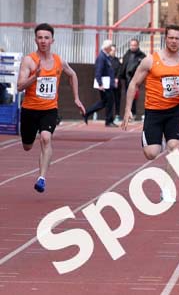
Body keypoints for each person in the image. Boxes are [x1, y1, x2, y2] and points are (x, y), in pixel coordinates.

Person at [122, 25, 179, 203]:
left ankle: (167, 189)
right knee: (151, 153)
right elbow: (134, 83)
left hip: (173, 113)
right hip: (153, 113)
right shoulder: (151, 60)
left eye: (177, 38)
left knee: (175, 148)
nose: (174, 41)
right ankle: (161, 141)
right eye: (171, 38)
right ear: (166, 39)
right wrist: (127, 110)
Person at [16, 23, 85, 193]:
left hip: (49, 109)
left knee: (46, 138)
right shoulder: (29, 60)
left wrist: (76, 98)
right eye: (40, 38)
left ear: (52, 40)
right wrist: (35, 77)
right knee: (27, 146)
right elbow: (19, 86)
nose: (43, 41)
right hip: (30, 110)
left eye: (46, 38)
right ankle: (29, 143)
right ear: (35, 40)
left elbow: (73, 74)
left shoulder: (58, 61)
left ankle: (41, 178)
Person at [85, 40, 117, 126]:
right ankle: (108, 121)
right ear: (107, 47)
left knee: (105, 102)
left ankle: (87, 113)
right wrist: (100, 83)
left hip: (108, 83)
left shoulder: (106, 57)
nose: (111, 49)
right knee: (108, 101)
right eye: (110, 47)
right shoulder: (101, 57)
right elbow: (98, 71)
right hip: (104, 84)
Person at [119, 38, 147, 117]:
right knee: (128, 96)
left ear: (137, 46)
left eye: (134, 45)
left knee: (134, 96)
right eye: (131, 45)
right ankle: (129, 112)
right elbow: (124, 65)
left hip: (137, 80)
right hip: (127, 79)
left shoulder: (142, 55)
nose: (132, 47)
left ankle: (133, 112)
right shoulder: (127, 54)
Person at [109, 44, 122, 120]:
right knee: (110, 100)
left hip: (117, 84)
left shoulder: (118, 60)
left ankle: (117, 115)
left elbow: (120, 70)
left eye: (114, 50)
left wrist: (117, 78)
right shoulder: (107, 59)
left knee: (117, 99)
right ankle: (110, 115)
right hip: (109, 83)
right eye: (111, 50)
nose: (113, 52)